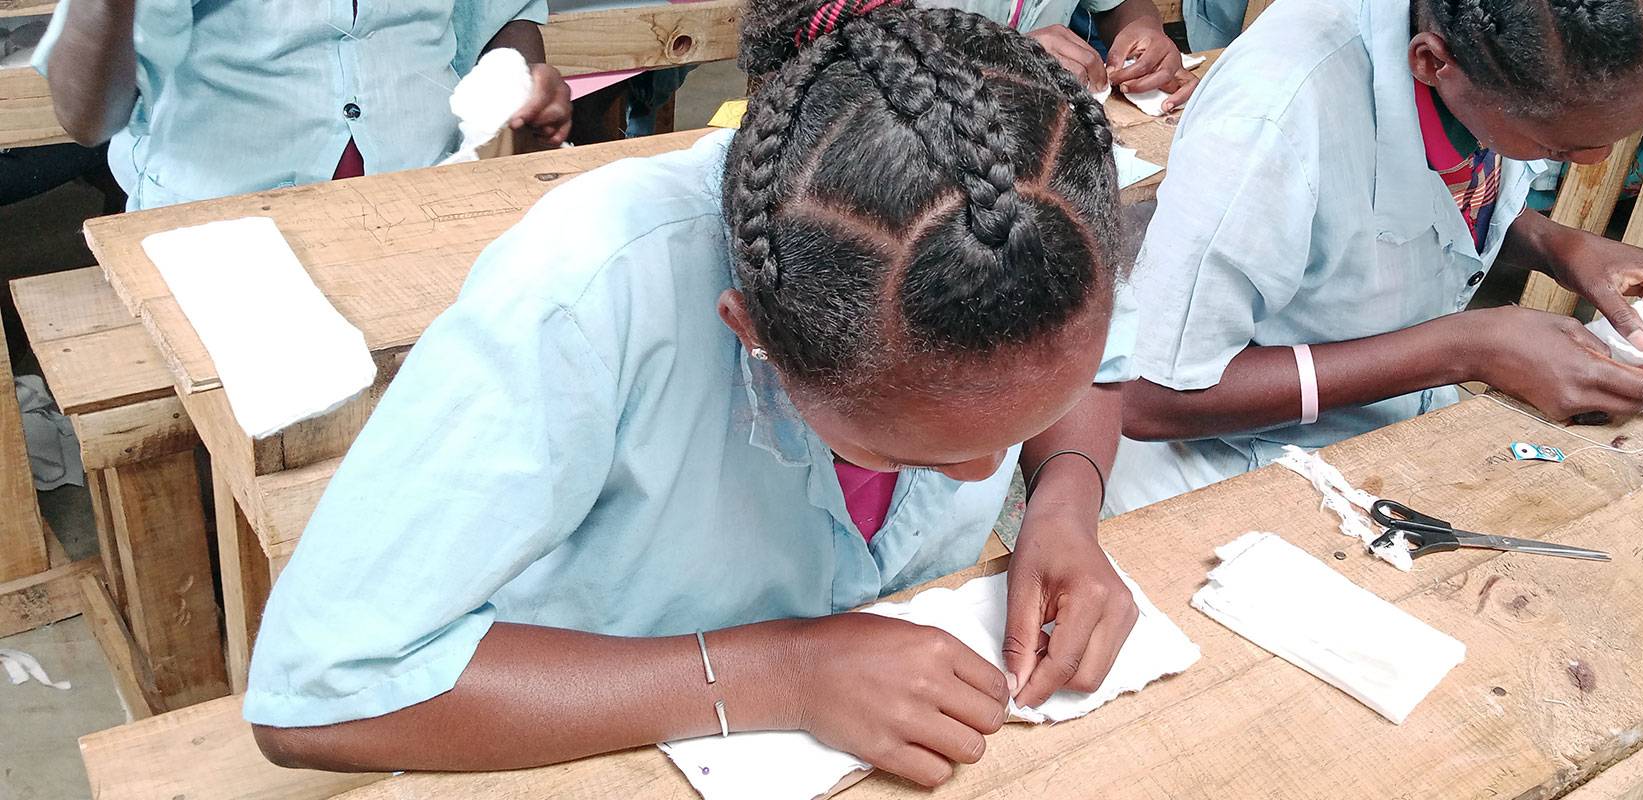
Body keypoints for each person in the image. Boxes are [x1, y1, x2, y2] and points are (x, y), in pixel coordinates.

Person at [243, 0, 1141, 787]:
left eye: (1030, 418)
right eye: (915, 452)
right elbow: (319, 692)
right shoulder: (589, 290)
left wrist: (1062, 504)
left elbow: (1093, 371)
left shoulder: (1033, 217)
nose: (982, 476)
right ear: (749, 330)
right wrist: (776, 676)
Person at [1105, 0, 1643, 514]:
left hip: (1392, 443)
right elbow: (1151, 398)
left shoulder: (1492, 48)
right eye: (1558, 144)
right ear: (1431, 63)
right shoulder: (1272, 119)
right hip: (1225, 480)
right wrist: (1466, 349)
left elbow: (1424, 204)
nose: (1596, 161)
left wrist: (1560, 247)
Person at [32, 0, 573, 210]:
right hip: (222, 235)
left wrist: (520, 91)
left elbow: (505, 16)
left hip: (428, 207)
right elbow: (86, 119)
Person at [927, 0, 1200, 113]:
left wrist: (1142, 27)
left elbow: (1119, 5)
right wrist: (1004, 53)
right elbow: (888, 51)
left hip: (1040, 123)